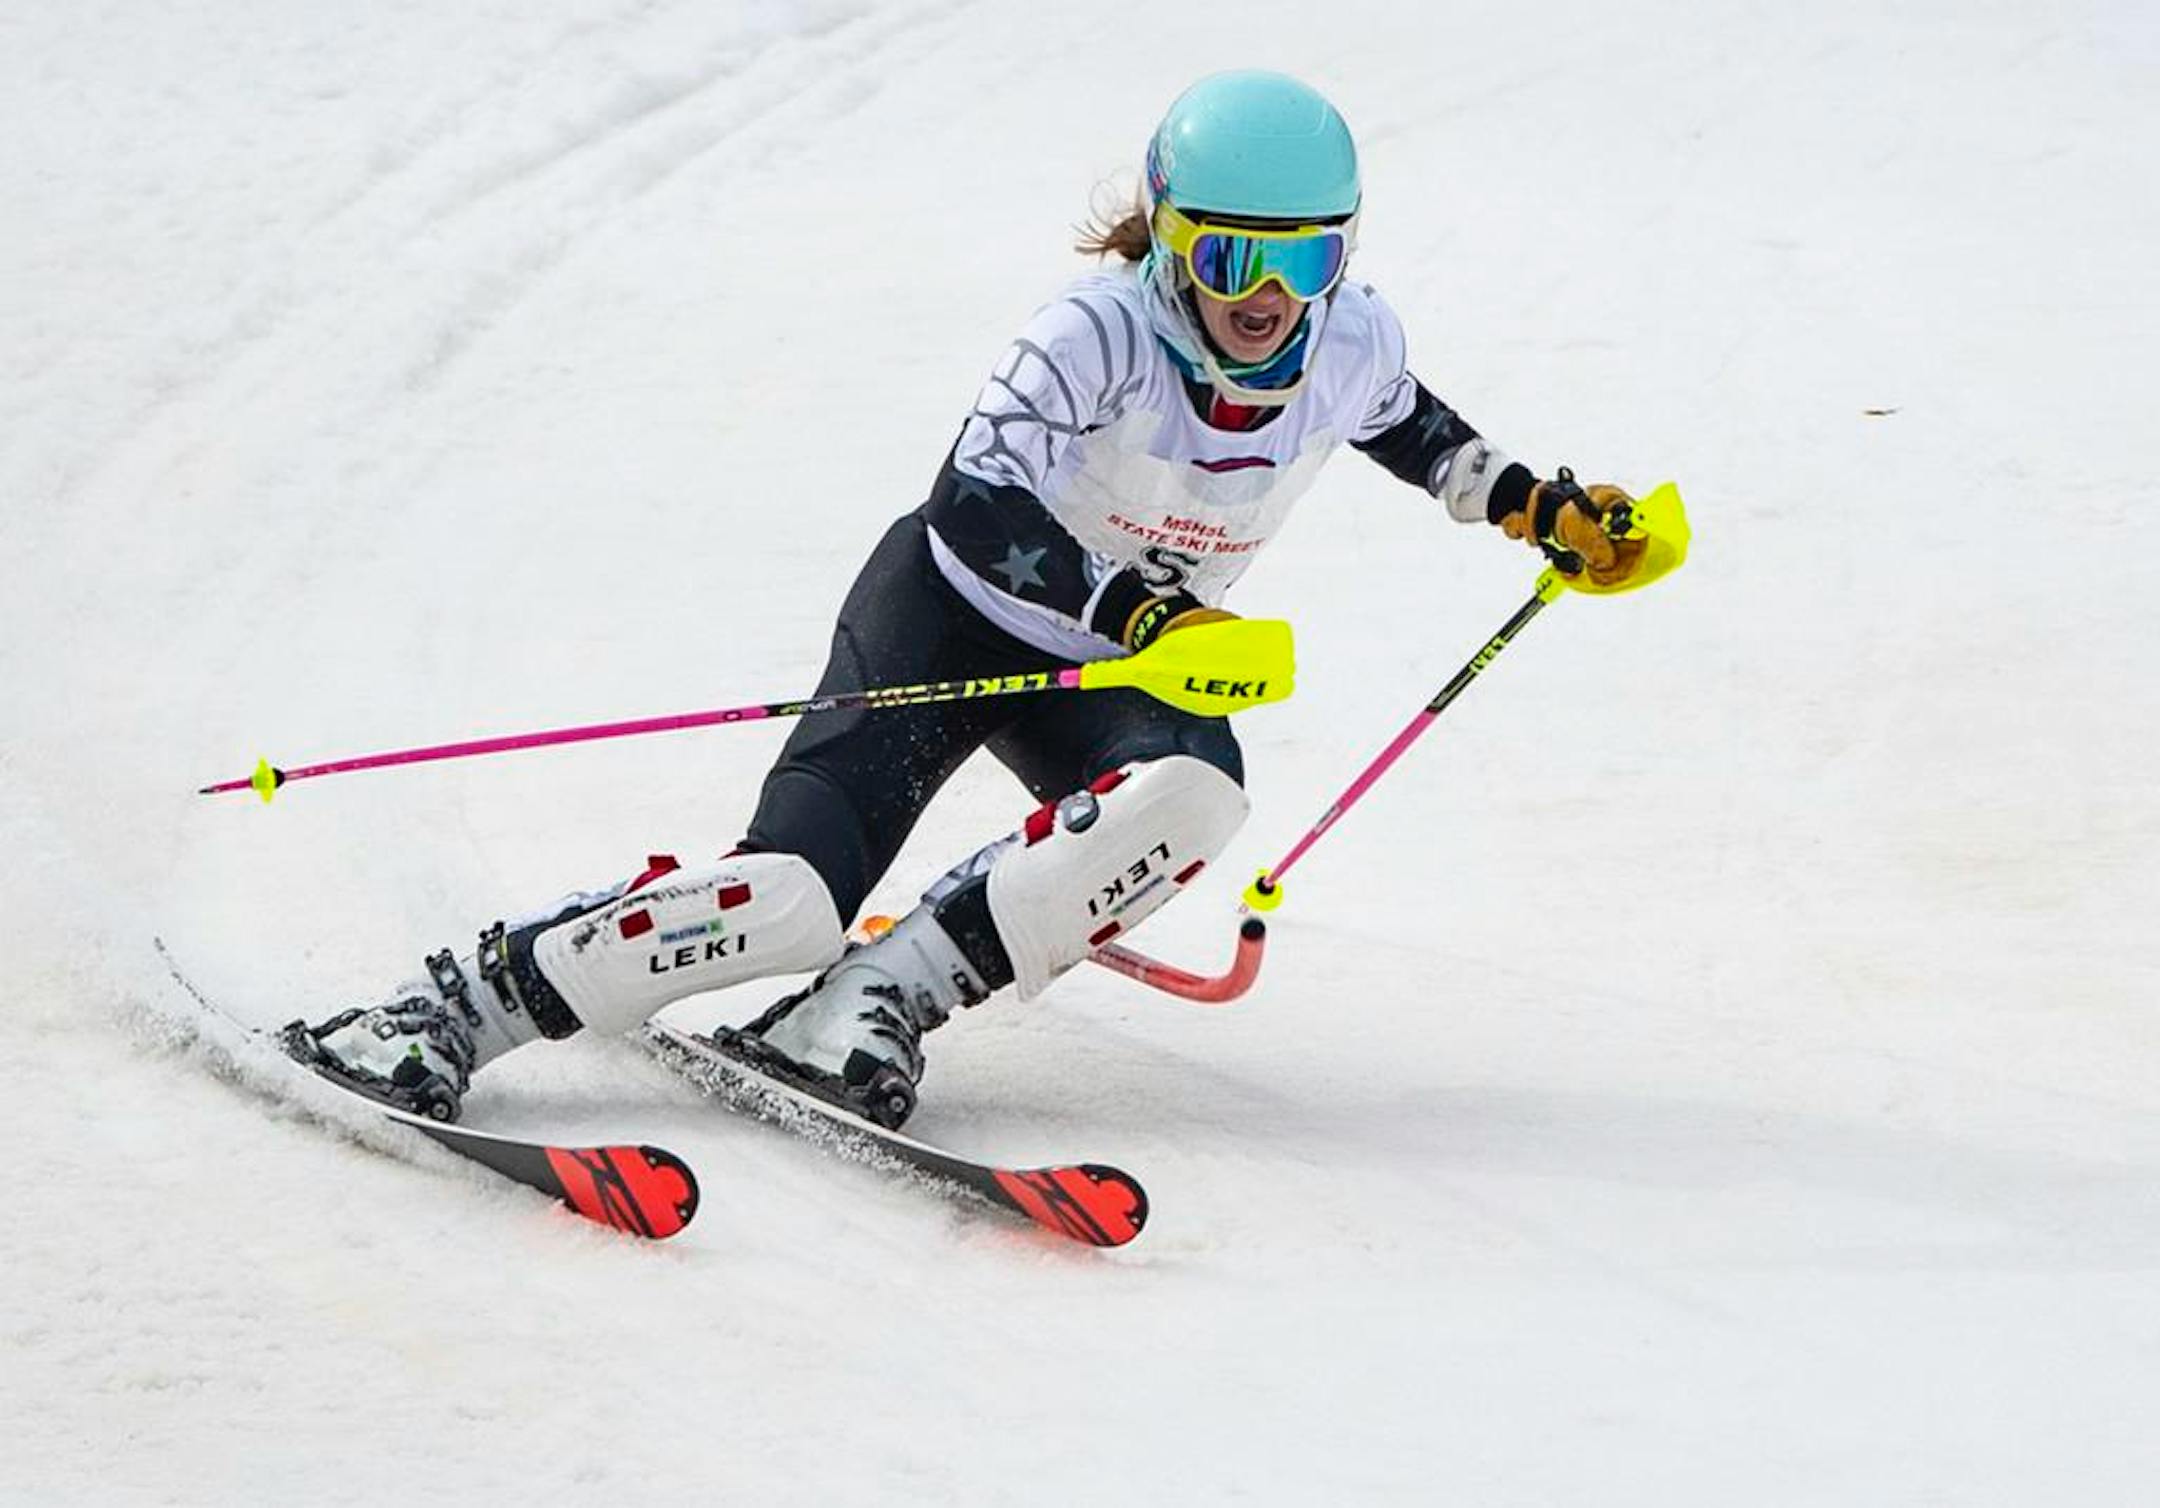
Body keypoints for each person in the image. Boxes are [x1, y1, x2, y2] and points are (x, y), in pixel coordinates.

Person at [289, 70, 1649, 1130]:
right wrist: (1144, 620)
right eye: (1235, 261)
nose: (1269, 302)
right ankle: (449, 1011)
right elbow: (974, 504)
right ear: (1174, 240)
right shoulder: (1099, 330)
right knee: (784, 903)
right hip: (950, 615)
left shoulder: (1347, 339)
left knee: (1196, 795)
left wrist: (1540, 507)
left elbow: (1408, 425)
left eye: (1306, 263)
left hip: (1124, 660)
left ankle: (870, 1005)